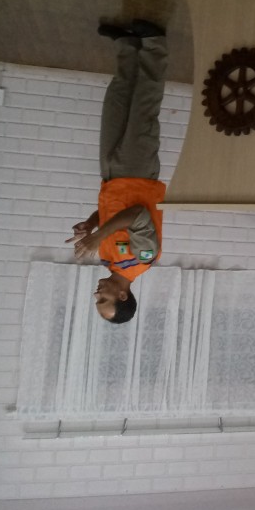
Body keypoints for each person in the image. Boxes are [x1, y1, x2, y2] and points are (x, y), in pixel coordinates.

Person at [66, 19, 168, 323]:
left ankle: (126, 45)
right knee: (143, 107)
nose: (97, 294)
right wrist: (97, 237)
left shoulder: (108, 258)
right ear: (122, 296)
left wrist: (90, 223)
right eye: (103, 300)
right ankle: (154, 43)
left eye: (97, 300)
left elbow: (112, 216)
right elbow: (136, 214)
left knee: (116, 102)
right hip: (138, 173)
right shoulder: (143, 258)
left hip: (111, 177)